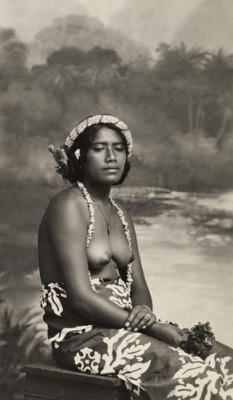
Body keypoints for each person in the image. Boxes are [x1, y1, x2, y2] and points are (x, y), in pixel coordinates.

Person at [38, 114, 233, 400]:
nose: (111, 157)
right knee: (197, 376)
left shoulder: (121, 215)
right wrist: (154, 328)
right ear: (80, 156)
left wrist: (144, 312)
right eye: (99, 148)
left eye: (118, 148)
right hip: (82, 337)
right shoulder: (68, 205)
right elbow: (79, 297)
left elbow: (138, 286)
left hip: (127, 324)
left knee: (226, 362)